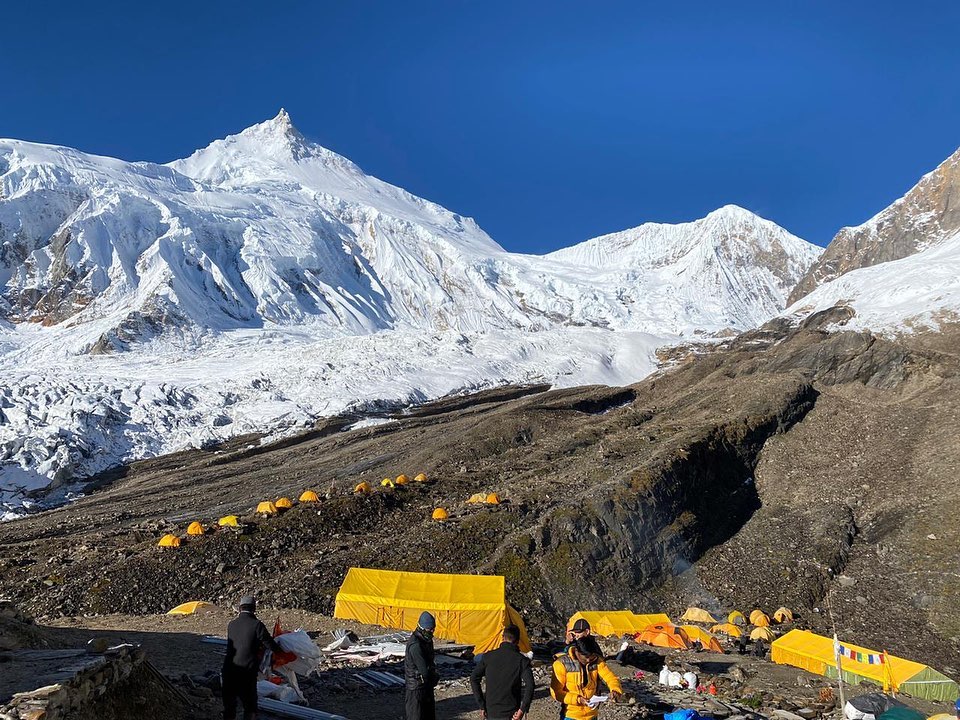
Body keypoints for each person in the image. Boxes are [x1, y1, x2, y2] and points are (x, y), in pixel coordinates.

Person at [222, 594, 283, 720]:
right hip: (247, 671)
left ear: (239, 608)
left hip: (229, 669)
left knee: (229, 706)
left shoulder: (231, 624)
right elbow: (270, 644)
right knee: (250, 705)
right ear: (254, 609)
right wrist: (284, 651)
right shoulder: (257, 625)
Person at [551, 636, 624, 720]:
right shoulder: (561, 664)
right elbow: (556, 692)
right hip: (571, 715)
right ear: (577, 651)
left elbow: (610, 678)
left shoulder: (597, 661)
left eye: (592, 657)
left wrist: (615, 690)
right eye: (586, 657)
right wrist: (578, 699)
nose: (589, 660)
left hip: (592, 714)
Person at [471, 625, 534, 720]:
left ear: (502, 638)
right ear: (518, 641)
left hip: (491, 711)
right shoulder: (522, 660)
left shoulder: (488, 656)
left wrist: (482, 704)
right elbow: (530, 685)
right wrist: (522, 709)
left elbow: (473, 678)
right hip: (512, 713)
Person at [405, 611, 439, 720]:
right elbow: (424, 669)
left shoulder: (426, 640)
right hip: (416, 688)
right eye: (430, 629)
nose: (433, 632)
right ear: (422, 628)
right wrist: (433, 676)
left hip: (425, 686)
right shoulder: (416, 645)